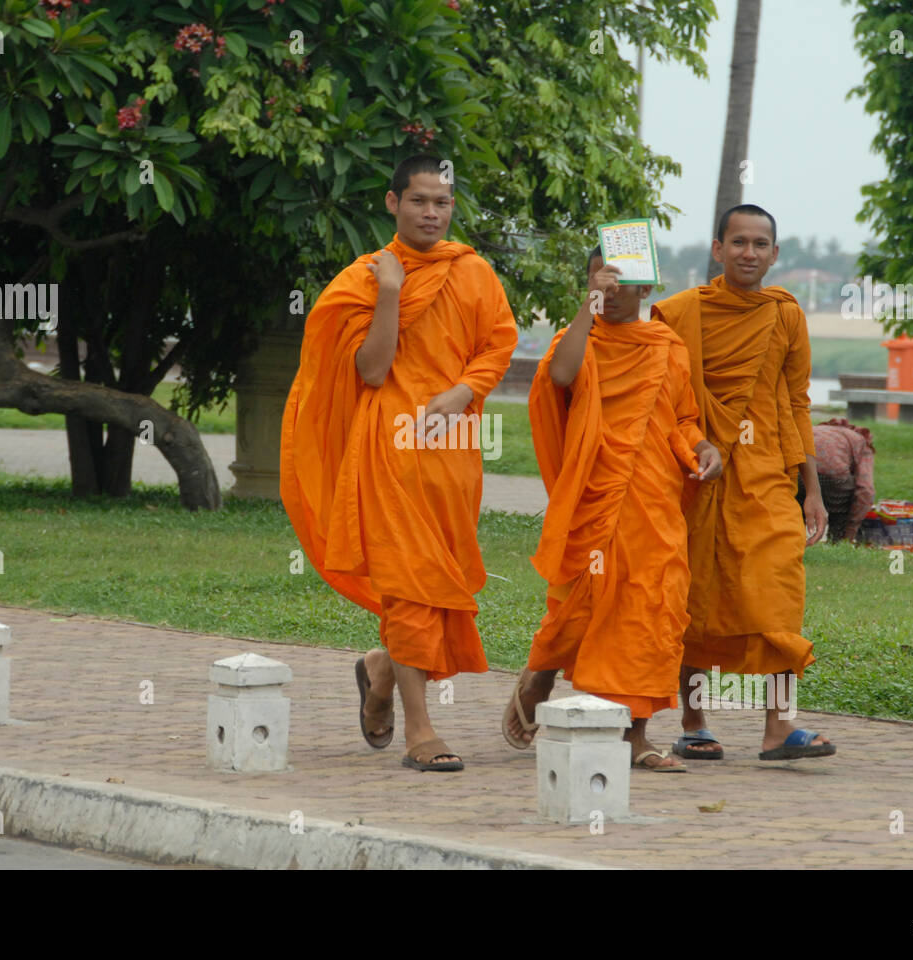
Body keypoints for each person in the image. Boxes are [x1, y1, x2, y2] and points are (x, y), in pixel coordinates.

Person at [280, 154, 518, 773]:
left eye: (442, 202)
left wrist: (466, 390)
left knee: (442, 587)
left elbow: (498, 344)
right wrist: (391, 292)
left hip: (453, 451)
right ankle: (422, 729)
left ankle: (379, 670)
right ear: (393, 204)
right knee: (410, 589)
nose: (431, 213)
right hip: (388, 447)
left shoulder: (473, 273)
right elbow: (372, 370)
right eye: (419, 201)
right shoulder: (364, 277)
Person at [502, 245, 721, 771]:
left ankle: (636, 734)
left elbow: (682, 419)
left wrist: (704, 447)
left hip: (654, 501)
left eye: (626, 280)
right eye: (604, 277)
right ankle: (542, 672)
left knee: (651, 608)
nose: (615, 287)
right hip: (594, 497)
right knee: (581, 604)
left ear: (648, 288)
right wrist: (589, 306)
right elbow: (560, 376)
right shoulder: (580, 339)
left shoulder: (666, 346)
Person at [653, 204, 836, 762]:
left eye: (760, 244)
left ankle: (779, 728)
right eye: (739, 243)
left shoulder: (785, 314)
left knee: (779, 593)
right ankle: (694, 722)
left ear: (775, 254)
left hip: (765, 478)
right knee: (696, 597)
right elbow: (662, 397)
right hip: (699, 473)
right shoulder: (681, 312)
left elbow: (798, 402)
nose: (749, 253)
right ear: (717, 249)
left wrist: (813, 490)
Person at [798, 418, 875, 542]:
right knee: (840, 516)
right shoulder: (860, 441)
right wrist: (851, 528)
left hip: (800, 473)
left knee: (796, 510)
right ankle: (837, 541)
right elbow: (865, 489)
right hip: (835, 479)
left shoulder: (816, 430)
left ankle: (791, 541)